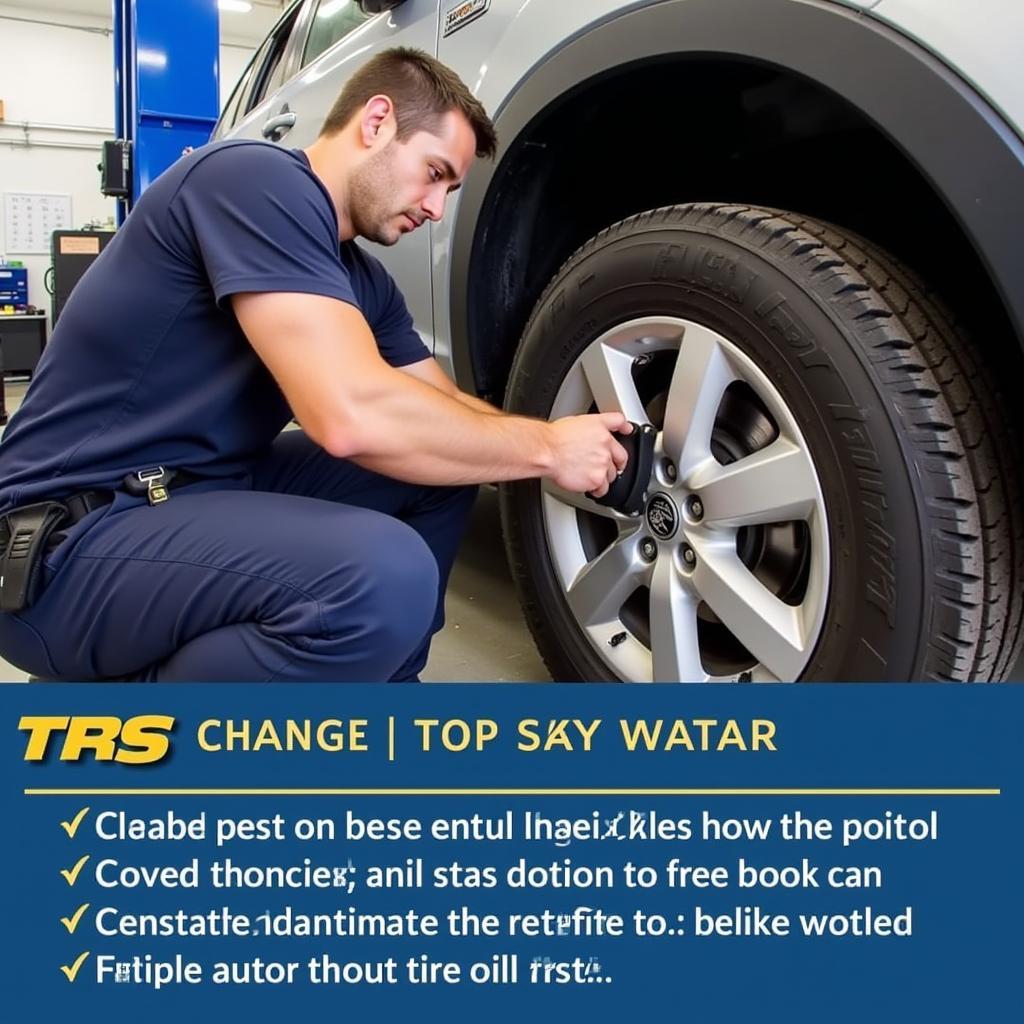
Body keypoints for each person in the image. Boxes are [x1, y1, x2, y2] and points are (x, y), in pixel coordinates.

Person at [0, 47, 628, 683]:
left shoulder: (359, 279)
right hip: (66, 545)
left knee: (441, 470)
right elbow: (349, 418)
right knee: (382, 575)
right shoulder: (251, 180)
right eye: (434, 172)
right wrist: (547, 450)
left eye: (450, 189)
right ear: (377, 121)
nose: (436, 208)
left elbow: (440, 407)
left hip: (192, 494)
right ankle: (150, 719)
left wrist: (561, 435)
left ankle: (385, 697)